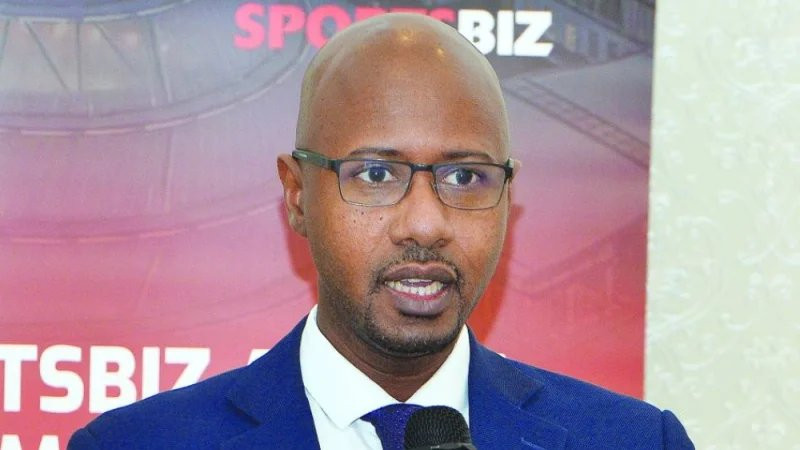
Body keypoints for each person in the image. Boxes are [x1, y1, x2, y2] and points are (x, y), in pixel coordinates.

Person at [68, 13, 694, 450]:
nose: (425, 222)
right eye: (375, 174)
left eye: (465, 177)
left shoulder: (637, 442)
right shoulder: (135, 445)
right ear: (297, 194)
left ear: (508, 196)